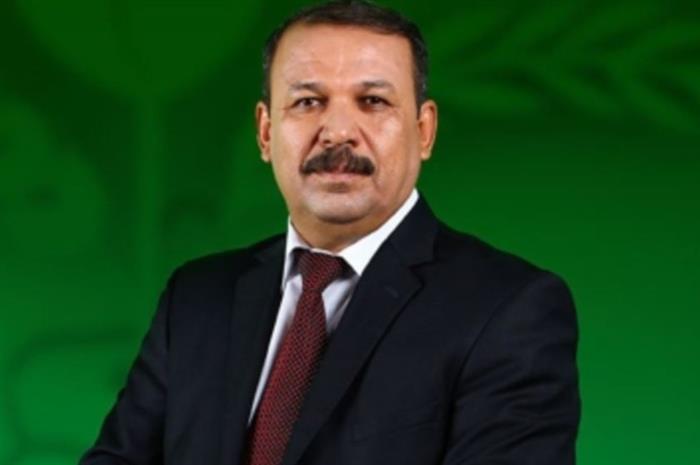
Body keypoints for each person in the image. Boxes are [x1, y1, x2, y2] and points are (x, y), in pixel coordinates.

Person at [80, 1, 580, 464]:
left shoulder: (508, 310)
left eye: (373, 101)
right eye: (307, 102)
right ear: (265, 132)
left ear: (424, 131)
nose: (338, 131)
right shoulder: (196, 298)